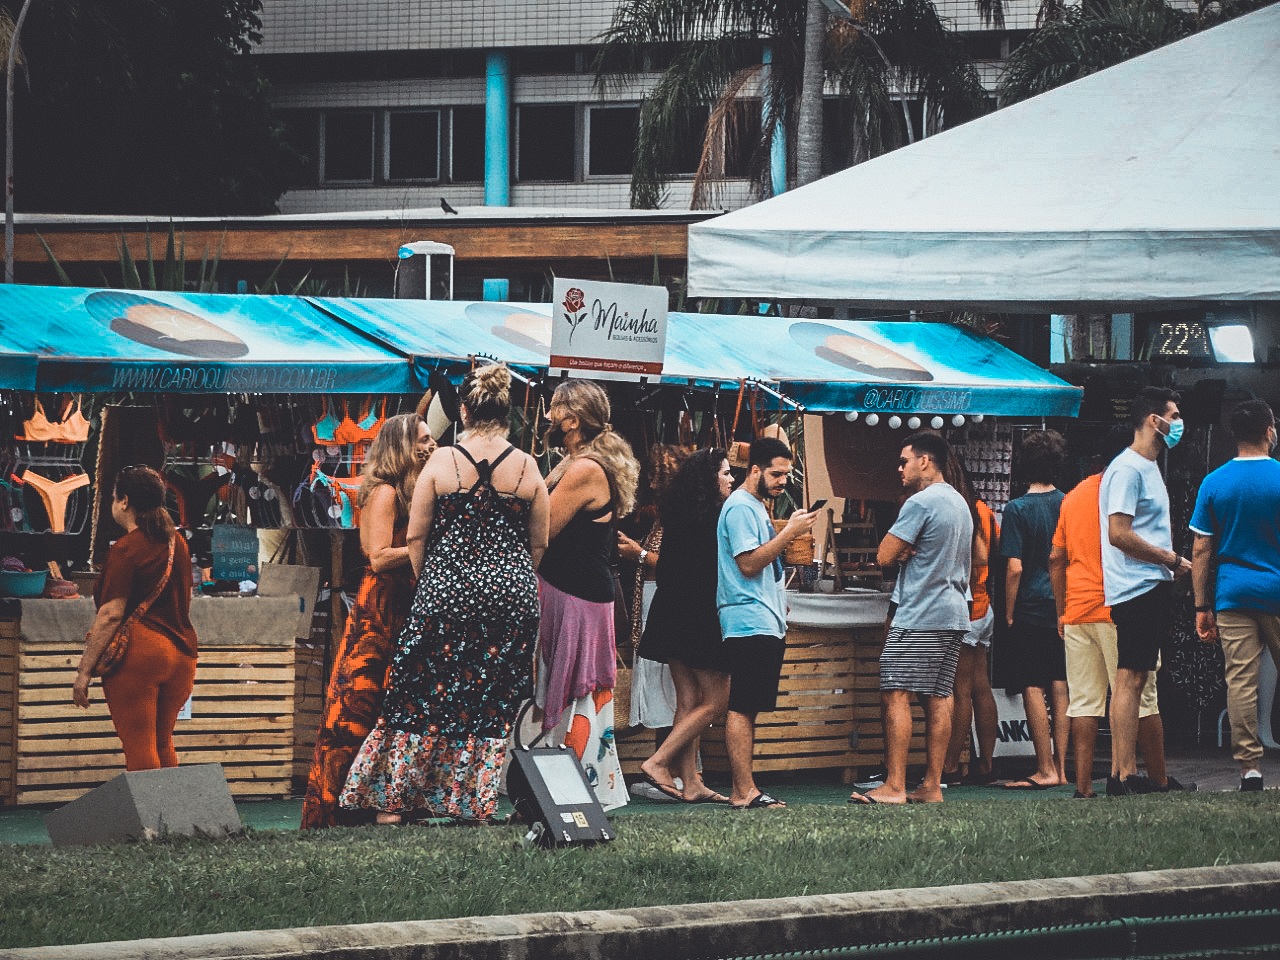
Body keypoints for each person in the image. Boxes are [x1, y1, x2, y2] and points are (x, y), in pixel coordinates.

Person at [340, 364, 549, 823]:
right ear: (508, 412)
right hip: (510, 597)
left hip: (445, 593)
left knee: (417, 692)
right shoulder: (528, 465)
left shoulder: (443, 461)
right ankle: (470, 802)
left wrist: (431, 580)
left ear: (464, 411)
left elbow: (417, 536)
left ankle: (394, 802)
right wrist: (508, 578)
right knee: (489, 700)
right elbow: (540, 542)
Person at [301, 413, 432, 829]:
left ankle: (385, 802)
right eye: (422, 441)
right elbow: (376, 555)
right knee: (361, 703)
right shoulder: (386, 493)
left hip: (402, 606)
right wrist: (426, 547)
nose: (431, 447)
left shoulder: (411, 493)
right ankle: (342, 808)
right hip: (381, 608)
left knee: (390, 706)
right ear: (400, 447)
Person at [535, 379, 640, 810]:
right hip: (573, 590)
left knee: (579, 696)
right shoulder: (576, 461)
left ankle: (577, 788)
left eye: (553, 411)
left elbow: (541, 531)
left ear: (571, 421)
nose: (545, 418)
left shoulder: (584, 469)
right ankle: (569, 787)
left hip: (576, 594)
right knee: (576, 694)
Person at [853, 432, 971, 806]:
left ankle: (895, 785)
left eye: (905, 461)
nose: (899, 468)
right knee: (938, 696)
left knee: (896, 692)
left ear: (925, 461)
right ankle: (932, 785)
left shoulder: (921, 503)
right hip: (954, 611)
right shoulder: (960, 502)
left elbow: (884, 555)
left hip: (920, 613)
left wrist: (903, 551)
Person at [1049, 430, 1167, 800]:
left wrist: (1061, 609)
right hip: (1120, 605)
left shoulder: (1073, 496)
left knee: (1084, 701)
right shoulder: (1130, 487)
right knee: (1139, 695)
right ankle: (1141, 777)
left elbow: (1056, 557)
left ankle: (1083, 787)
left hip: (1078, 610)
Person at [73, 465, 198, 771]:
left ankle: (152, 821)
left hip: (141, 654)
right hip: (182, 654)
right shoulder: (177, 543)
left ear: (124, 501)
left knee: (139, 745)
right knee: (162, 741)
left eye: (114, 497)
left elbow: (111, 615)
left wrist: (84, 671)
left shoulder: (126, 550)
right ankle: (172, 818)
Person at [1100, 386, 1193, 796]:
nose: (1177, 423)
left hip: (1149, 584)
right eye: (1173, 415)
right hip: (1134, 586)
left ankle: (1127, 772)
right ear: (1154, 420)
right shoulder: (1128, 469)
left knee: (1137, 676)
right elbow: (1118, 533)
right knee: (1130, 675)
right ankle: (1122, 774)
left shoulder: (1150, 467)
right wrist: (1169, 559)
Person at [718, 437, 818, 809]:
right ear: (755, 469)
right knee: (743, 706)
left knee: (750, 705)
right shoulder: (741, 507)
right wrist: (790, 533)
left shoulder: (755, 506)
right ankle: (743, 791)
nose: (783, 482)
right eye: (776, 474)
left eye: (787, 475)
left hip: (762, 616)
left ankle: (746, 788)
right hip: (748, 617)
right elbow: (748, 563)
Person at [1191, 398, 1280, 792]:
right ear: (1268, 432)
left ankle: (1250, 770)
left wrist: (1201, 605)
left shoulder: (1214, 482)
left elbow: (1200, 550)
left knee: (1240, 681)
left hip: (1231, 595)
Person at [636, 448, 735, 803]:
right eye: (725, 473)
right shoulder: (719, 519)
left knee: (689, 699)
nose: (731, 479)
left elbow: (664, 570)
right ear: (710, 478)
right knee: (716, 700)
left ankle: (691, 781)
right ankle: (659, 762)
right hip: (701, 614)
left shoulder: (676, 514)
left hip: (671, 611)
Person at [1001, 430, 1068, 790]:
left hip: (1029, 604)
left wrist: (1009, 612)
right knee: (1061, 683)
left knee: (1032, 684)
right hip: (1064, 604)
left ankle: (1044, 768)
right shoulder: (1068, 503)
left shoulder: (1016, 509)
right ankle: (1063, 767)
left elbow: (1014, 568)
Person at [617, 444, 688, 746]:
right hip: (652, 599)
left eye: (660, 475)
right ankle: (672, 768)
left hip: (663, 600)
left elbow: (679, 565)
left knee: (668, 688)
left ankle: (672, 767)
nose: (652, 482)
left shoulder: (681, 515)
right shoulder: (664, 514)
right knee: (663, 689)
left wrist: (639, 554)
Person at [941, 459, 1001, 787]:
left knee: (960, 689)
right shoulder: (986, 511)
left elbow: (974, 558)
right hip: (985, 607)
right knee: (981, 686)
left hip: (968, 610)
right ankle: (987, 764)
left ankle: (950, 766)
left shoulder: (960, 511)